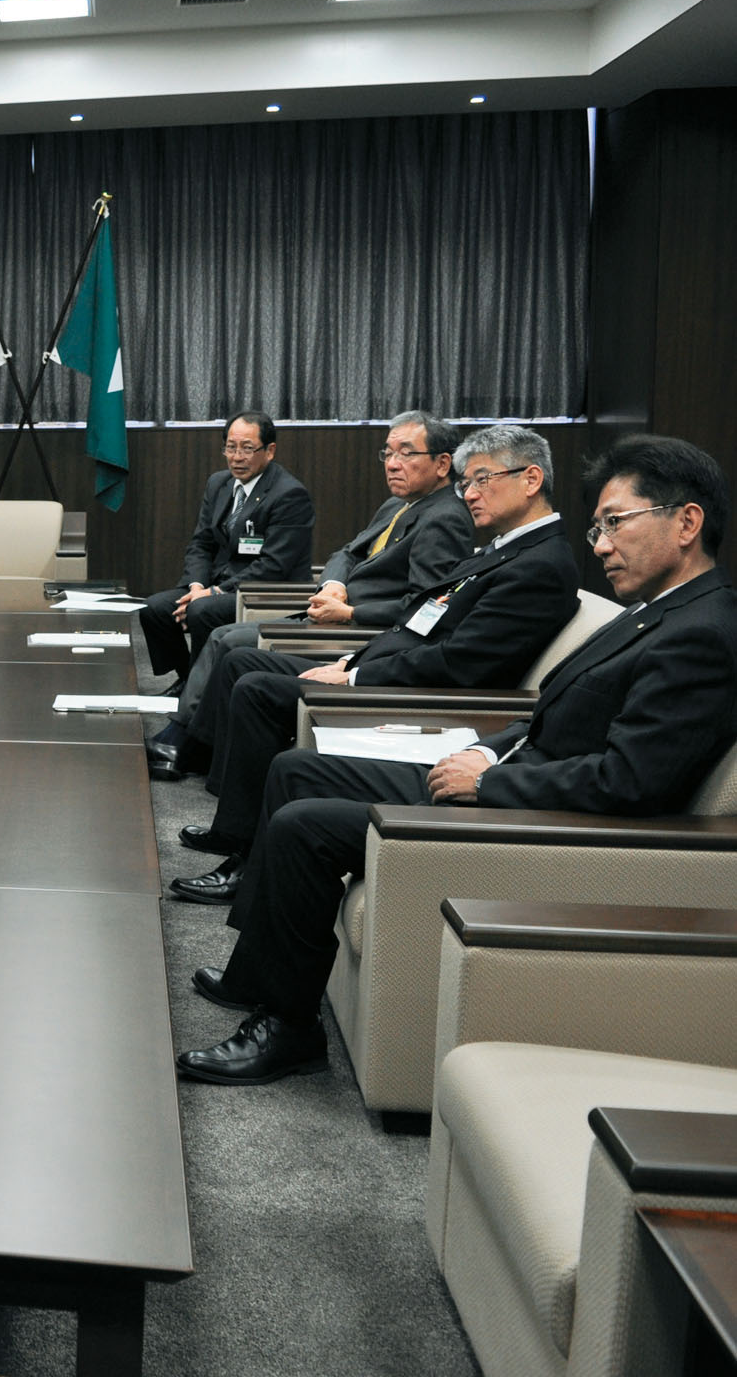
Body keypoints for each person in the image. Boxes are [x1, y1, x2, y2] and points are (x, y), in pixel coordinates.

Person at [177, 435, 737, 1085]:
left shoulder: (701, 634)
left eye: (615, 523)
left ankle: (286, 1027)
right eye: (597, 529)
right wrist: (484, 748)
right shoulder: (654, 613)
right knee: (298, 769)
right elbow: (551, 714)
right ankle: (258, 976)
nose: (601, 546)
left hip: (536, 821)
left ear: (686, 523)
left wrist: (490, 781)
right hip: (507, 774)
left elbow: (629, 783)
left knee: (304, 826)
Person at [167, 424, 581, 905]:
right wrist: (354, 658)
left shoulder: (538, 563)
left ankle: (240, 850)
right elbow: (421, 620)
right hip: (387, 663)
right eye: (467, 482)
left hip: (429, 700)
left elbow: (460, 661)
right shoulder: (504, 547)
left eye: (481, 480)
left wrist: (356, 675)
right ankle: (235, 833)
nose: (468, 493)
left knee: (258, 689)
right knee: (247, 667)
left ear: (531, 479)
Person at [149, 411, 472, 778]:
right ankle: (189, 741)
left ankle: (188, 744)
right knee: (222, 635)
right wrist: (334, 585)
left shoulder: (444, 519)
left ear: (442, 463)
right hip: (330, 613)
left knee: (230, 640)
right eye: (388, 453)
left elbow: (424, 610)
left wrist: (349, 614)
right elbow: (346, 553)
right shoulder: (398, 504)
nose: (392, 464)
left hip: (359, 634)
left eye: (406, 453)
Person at [136, 410, 316, 683]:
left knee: (201, 610)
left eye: (247, 448)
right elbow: (201, 543)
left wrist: (214, 592)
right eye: (231, 447)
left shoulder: (289, 494)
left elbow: (273, 566)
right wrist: (197, 586)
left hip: (263, 591)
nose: (237, 457)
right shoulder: (219, 483)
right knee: (155, 608)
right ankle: (187, 680)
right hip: (215, 584)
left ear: (269, 451)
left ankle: (202, 690)